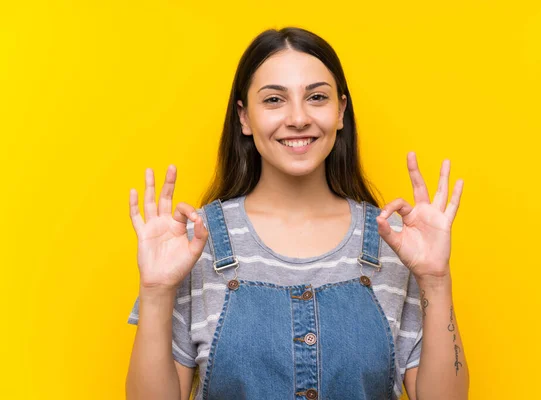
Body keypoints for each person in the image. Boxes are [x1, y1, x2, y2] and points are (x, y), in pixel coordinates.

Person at [125, 27, 469, 400]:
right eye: (274, 100)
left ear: (340, 111)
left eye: (316, 97)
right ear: (244, 117)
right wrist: (156, 291)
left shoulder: (397, 242)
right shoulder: (193, 244)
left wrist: (436, 279)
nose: (299, 118)